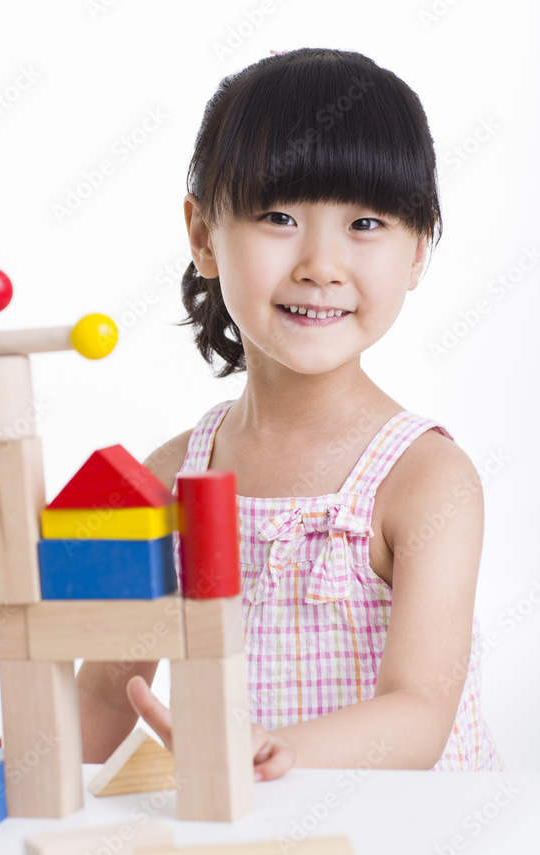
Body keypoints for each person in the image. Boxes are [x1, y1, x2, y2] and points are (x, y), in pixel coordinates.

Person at [77, 46, 503, 778]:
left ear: (416, 252)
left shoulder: (427, 478)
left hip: (411, 843)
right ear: (203, 235)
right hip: (247, 835)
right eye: (278, 216)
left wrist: (271, 754)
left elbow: (418, 715)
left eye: (365, 224)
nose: (319, 262)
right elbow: (111, 694)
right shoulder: (169, 474)